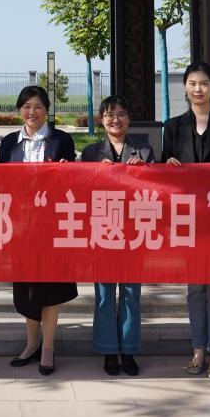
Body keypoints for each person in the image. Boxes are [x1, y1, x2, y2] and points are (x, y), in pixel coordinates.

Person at [161, 62, 210, 380]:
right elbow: (162, 171)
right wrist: (167, 165)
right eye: (193, 83)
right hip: (188, 219)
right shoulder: (173, 126)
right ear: (185, 87)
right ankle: (197, 351)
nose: (198, 89)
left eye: (204, 83)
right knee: (195, 288)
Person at [0, 85, 78, 376]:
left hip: (53, 225)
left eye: (38, 107)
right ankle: (31, 343)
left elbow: (73, 180)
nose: (32, 112)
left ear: (47, 110)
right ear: (19, 110)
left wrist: (66, 170)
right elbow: (2, 182)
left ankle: (48, 347)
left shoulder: (61, 140)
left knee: (50, 287)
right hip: (21, 226)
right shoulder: (9, 142)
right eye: (26, 107)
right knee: (27, 289)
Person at [80, 95, 153, 376]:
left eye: (121, 114)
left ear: (129, 119)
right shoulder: (90, 153)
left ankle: (130, 350)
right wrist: (98, 174)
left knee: (131, 293)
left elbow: (156, 191)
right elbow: (81, 191)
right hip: (103, 231)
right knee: (104, 294)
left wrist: (142, 173)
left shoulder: (144, 151)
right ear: (101, 120)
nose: (115, 119)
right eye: (109, 115)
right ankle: (109, 349)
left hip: (134, 231)